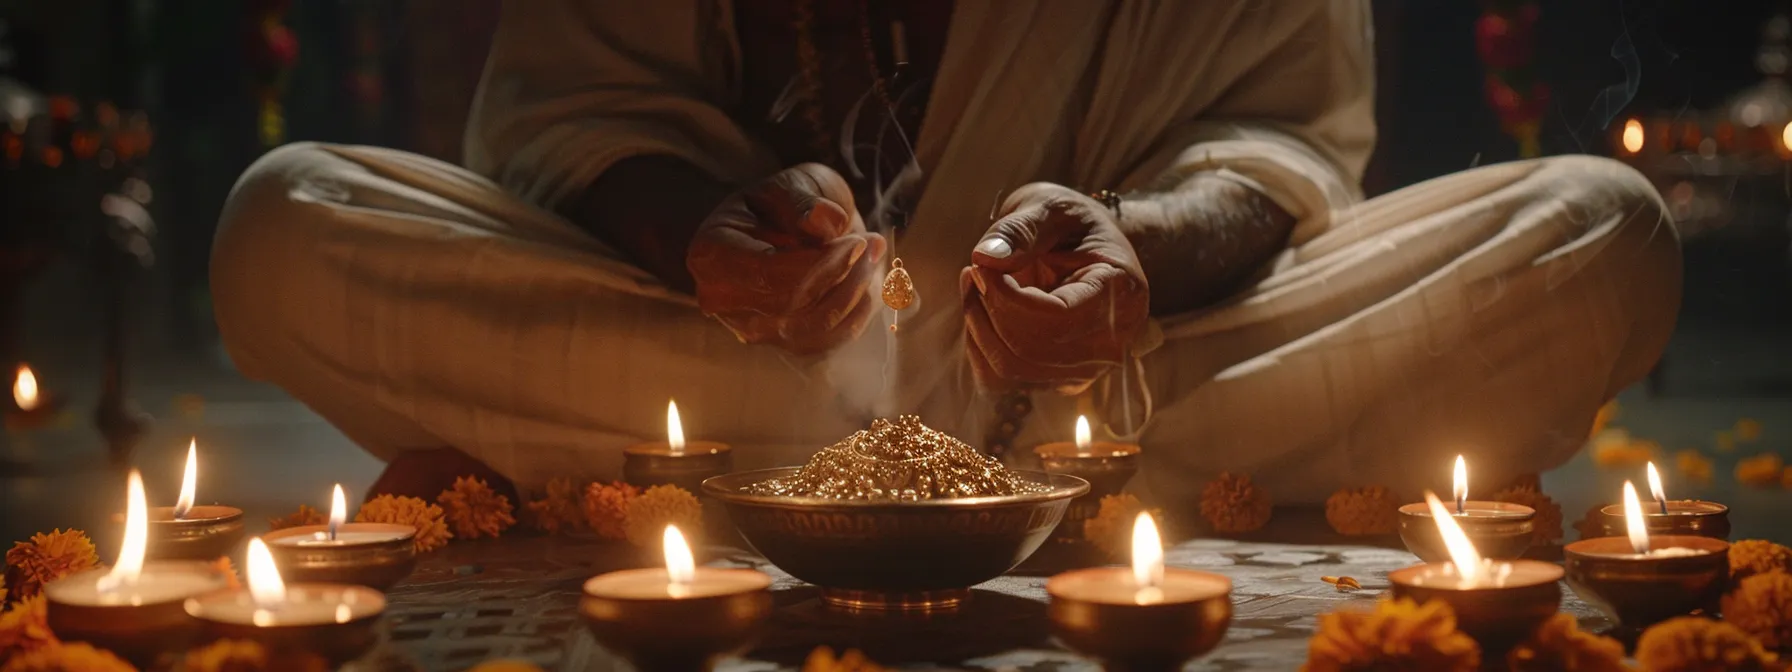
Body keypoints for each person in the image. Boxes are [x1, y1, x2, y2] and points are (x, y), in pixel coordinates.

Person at [210, 0, 1678, 513]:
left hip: (1123, 373)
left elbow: (1273, 141)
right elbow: (578, 106)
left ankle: (767, 473)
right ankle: (833, 447)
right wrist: (703, 230)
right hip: (727, 353)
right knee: (283, 228)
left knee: (1595, 235)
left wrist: (1136, 261)